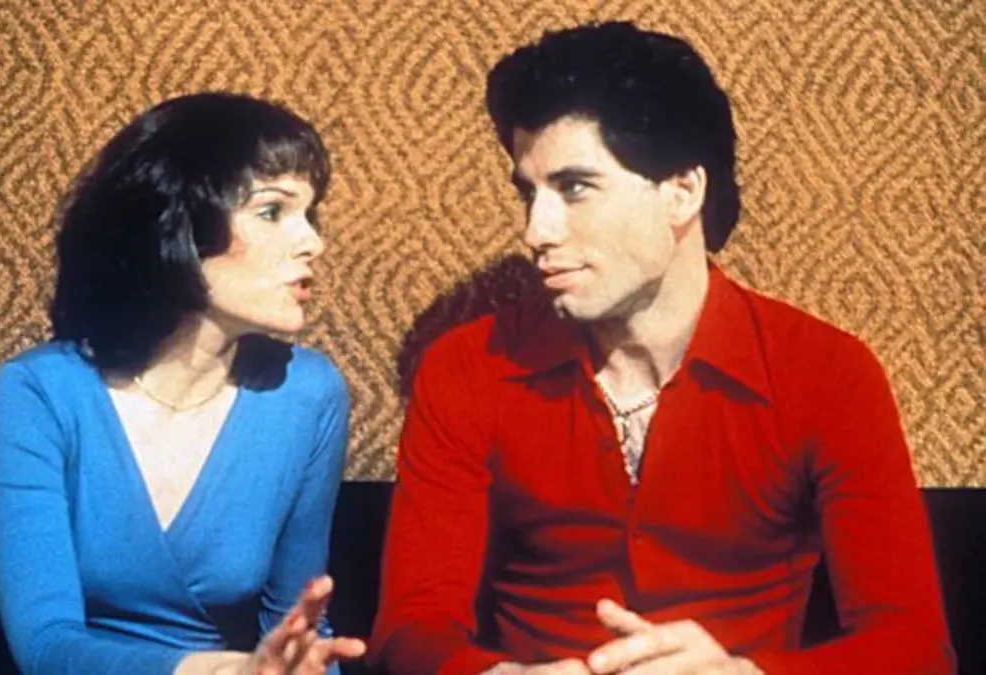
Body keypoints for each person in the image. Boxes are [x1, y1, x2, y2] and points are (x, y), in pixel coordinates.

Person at [369, 21, 954, 675]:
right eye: (528, 193)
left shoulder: (826, 373)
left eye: (575, 187)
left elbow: (916, 647)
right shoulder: (468, 367)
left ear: (682, 192)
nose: (536, 230)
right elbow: (408, 632)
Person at [0, 92, 365, 674]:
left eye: (310, 216)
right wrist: (218, 672)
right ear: (179, 226)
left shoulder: (308, 394)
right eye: (272, 212)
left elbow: (296, 629)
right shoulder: (36, 394)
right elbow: (47, 646)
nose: (313, 242)